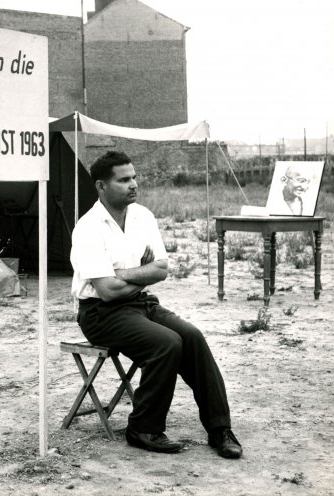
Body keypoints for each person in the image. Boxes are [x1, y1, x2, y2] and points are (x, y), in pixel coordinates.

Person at [70, 151, 242, 458]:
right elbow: (107, 291)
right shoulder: (88, 227)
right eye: (123, 180)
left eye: (134, 177)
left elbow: (161, 269)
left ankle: (219, 428)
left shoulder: (143, 217)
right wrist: (142, 275)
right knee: (167, 343)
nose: (133, 184)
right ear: (101, 186)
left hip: (139, 304)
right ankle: (143, 427)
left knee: (192, 337)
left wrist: (126, 276)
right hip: (100, 314)